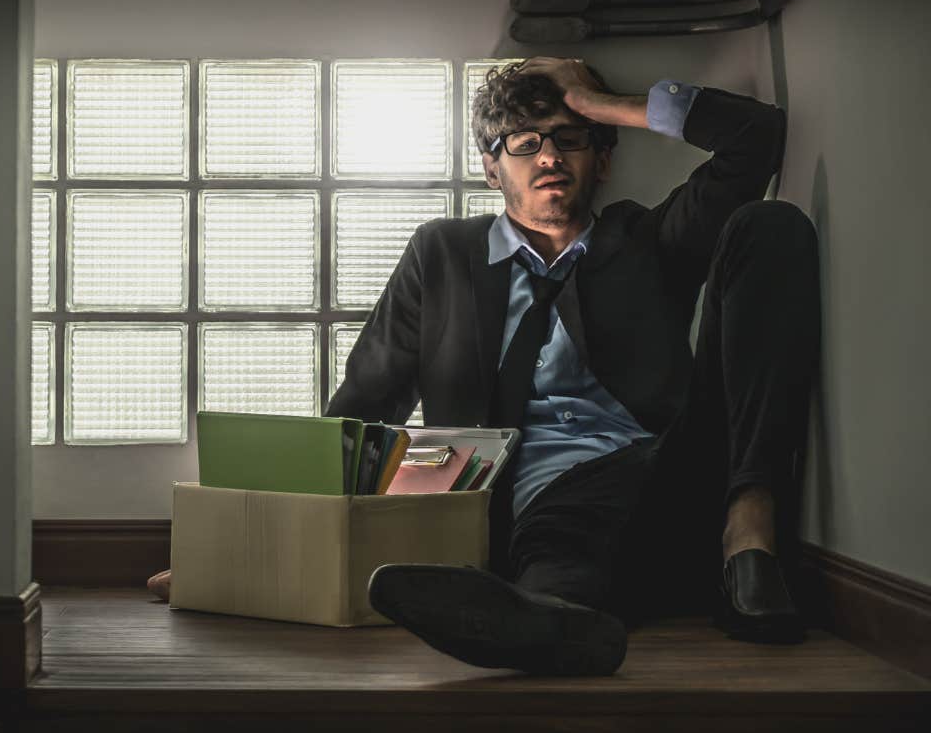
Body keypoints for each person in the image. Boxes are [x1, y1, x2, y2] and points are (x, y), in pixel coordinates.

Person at [332, 57, 820, 675]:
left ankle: (751, 543)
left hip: (675, 476)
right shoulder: (442, 255)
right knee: (559, 557)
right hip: (534, 511)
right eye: (525, 143)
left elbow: (756, 136)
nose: (549, 157)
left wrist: (599, 102)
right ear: (491, 167)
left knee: (767, 224)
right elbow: (366, 401)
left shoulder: (647, 240)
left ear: (603, 160)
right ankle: (553, 618)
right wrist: (277, 541)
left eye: (571, 138)